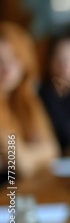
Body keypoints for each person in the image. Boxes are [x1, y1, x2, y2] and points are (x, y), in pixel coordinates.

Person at [0, 21, 60, 179]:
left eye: (14, 59)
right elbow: (21, 165)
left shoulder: (25, 99)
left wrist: (30, 154)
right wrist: (36, 154)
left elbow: (53, 151)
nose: (6, 68)